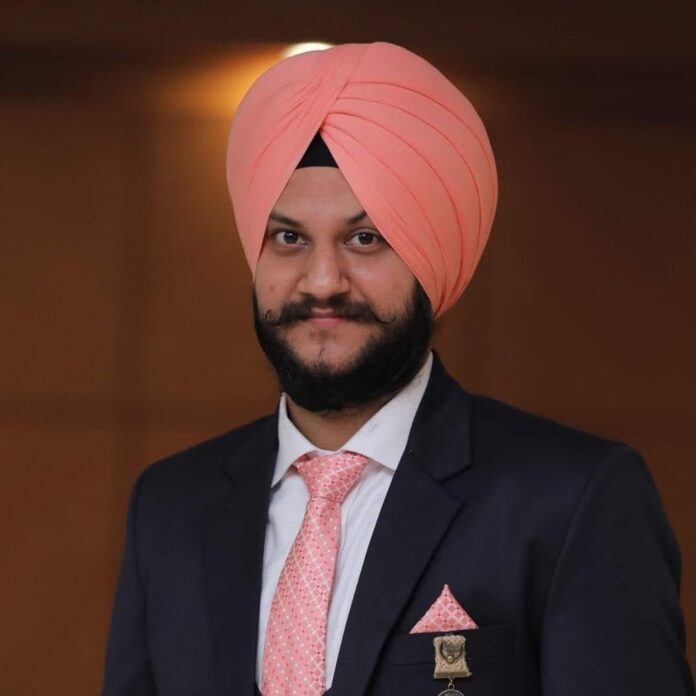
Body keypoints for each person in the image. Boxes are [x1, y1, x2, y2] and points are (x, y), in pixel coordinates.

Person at [102, 42, 694, 696]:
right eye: (289, 238)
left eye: (365, 239)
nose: (322, 281)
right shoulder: (171, 506)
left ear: (430, 258)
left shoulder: (571, 500)